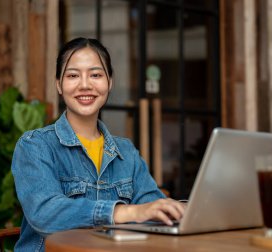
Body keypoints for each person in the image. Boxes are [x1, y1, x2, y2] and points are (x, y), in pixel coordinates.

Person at [11, 37, 186, 251]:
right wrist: (123, 212)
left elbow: (152, 207)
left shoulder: (126, 152)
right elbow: (45, 214)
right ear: (58, 84)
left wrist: (178, 210)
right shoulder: (35, 145)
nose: (85, 85)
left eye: (96, 75)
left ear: (109, 83)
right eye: (73, 75)